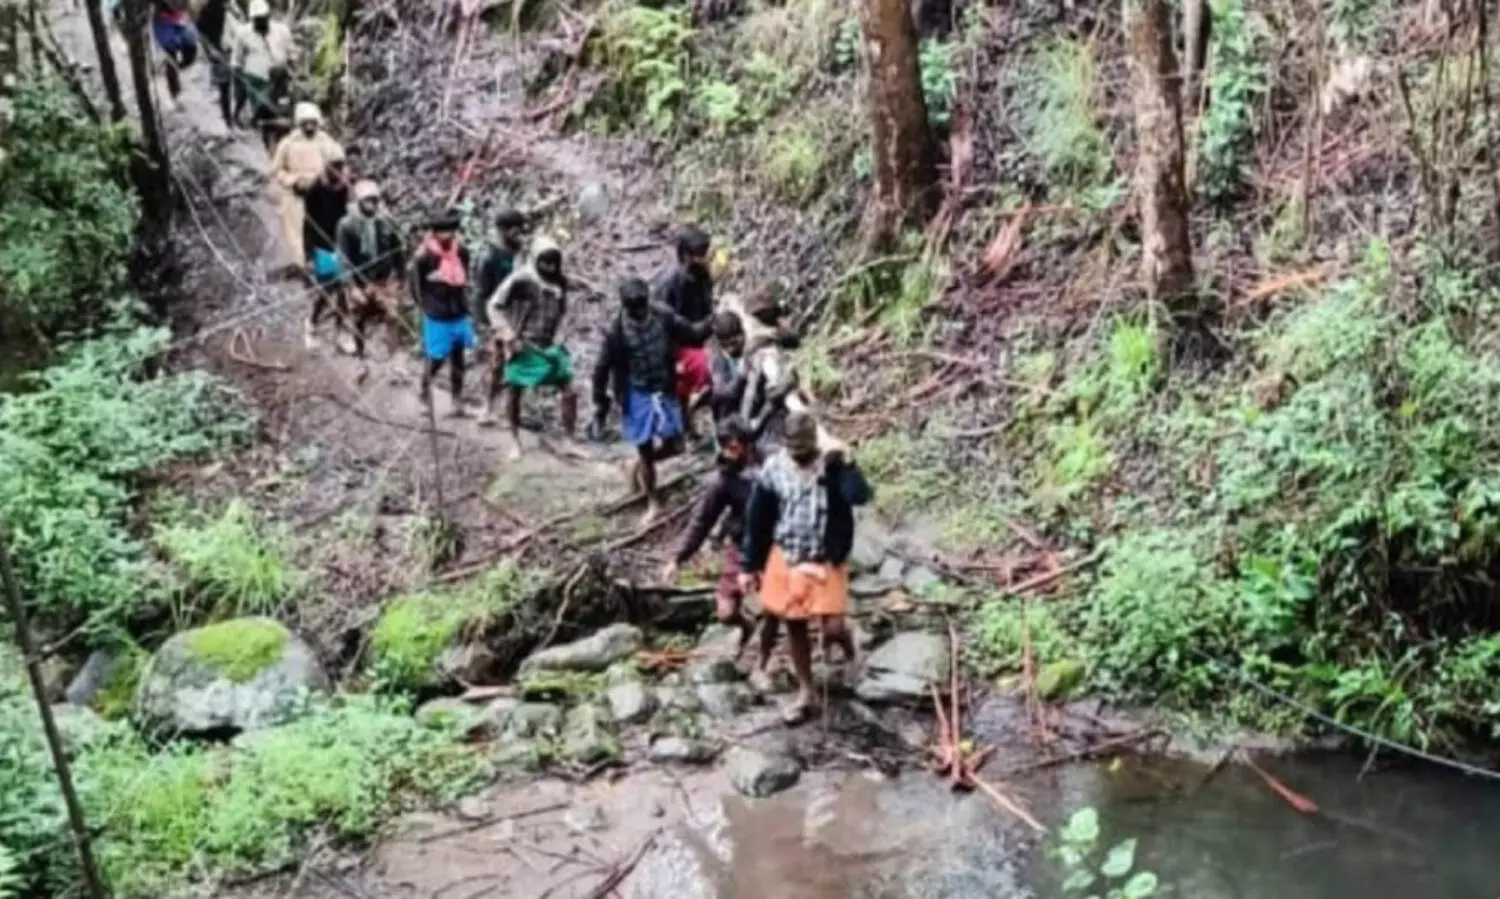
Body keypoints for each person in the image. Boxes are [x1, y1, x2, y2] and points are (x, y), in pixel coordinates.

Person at [740, 411, 873, 725]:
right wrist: (749, 564)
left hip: (825, 556)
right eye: (793, 450)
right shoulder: (774, 468)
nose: (799, 456)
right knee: (794, 622)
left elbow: (859, 496)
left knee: (833, 627)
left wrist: (848, 462)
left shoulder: (833, 465)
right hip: (787, 553)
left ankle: (849, 648)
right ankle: (806, 691)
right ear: (785, 445)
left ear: (815, 443)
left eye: (805, 450)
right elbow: (758, 519)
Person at [590, 278, 712, 525]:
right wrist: (601, 403)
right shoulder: (616, 333)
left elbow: (692, 332)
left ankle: (637, 466)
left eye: (642, 304)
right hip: (637, 393)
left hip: (664, 387)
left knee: (676, 445)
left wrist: (715, 319)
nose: (639, 311)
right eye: (633, 307)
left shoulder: (663, 316)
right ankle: (652, 501)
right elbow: (601, 369)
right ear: (625, 306)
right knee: (645, 448)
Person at [663, 416, 758, 654]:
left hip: (773, 544)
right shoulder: (722, 481)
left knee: (772, 605)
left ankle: (765, 655)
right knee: (725, 612)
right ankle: (748, 627)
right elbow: (702, 521)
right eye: (725, 447)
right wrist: (678, 558)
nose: (729, 453)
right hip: (742, 545)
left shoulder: (770, 465)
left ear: (746, 445)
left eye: (734, 447)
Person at [482, 237, 576, 456]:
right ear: (535, 259)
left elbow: (562, 311)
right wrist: (507, 333)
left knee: (569, 389)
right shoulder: (521, 279)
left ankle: (569, 442)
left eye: (553, 263)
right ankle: (515, 441)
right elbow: (494, 305)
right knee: (515, 392)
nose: (550, 267)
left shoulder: (559, 282)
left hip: (549, 345)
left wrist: (563, 335)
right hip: (523, 344)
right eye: (545, 262)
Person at [652, 226, 715, 442]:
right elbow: (661, 320)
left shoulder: (703, 277)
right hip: (672, 345)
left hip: (695, 341)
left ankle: (686, 424)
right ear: (686, 256)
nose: (704, 259)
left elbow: (707, 307)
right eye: (700, 255)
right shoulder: (669, 283)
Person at [410, 209, 475, 416]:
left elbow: (465, 278)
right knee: (437, 357)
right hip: (437, 313)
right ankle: (423, 392)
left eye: (451, 231)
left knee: (458, 358)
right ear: (435, 233)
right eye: (443, 231)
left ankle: (457, 400)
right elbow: (415, 287)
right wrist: (427, 307)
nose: (448, 235)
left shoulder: (461, 252)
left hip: (457, 310)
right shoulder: (423, 258)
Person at [269, 102, 343, 277]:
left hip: (321, 193)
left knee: (322, 231)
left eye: (313, 122)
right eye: (305, 123)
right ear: (299, 123)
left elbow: (338, 159)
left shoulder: (325, 141)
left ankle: (326, 268)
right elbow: (276, 170)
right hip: (296, 193)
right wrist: (292, 180)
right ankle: (302, 266)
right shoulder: (288, 143)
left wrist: (326, 176)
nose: (309, 127)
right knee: (296, 231)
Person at [336, 179, 407, 359]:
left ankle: (393, 354)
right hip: (359, 277)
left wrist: (401, 276)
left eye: (375, 200)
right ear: (359, 202)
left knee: (392, 312)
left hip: (383, 276)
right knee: (358, 314)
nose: (372, 204)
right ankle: (360, 352)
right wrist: (352, 286)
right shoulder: (347, 225)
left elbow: (397, 250)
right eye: (368, 200)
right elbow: (343, 259)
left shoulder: (386, 221)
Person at [301, 148, 350, 349]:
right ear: (326, 166)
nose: (338, 170)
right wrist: (308, 254)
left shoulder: (342, 188)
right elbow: (308, 223)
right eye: (334, 166)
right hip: (322, 246)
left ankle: (341, 331)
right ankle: (311, 322)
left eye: (340, 165)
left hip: (340, 243)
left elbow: (344, 214)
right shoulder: (315, 189)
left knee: (344, 288)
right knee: (327, 288)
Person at [231, 0, 295, 150]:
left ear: (268, 16)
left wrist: (290, 69)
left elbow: (291, 53)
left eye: (262, 19)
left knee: (281, 112)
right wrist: (239, 84)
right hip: (256, 79)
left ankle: (281, 145)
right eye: (256, 20)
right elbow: (237, 60)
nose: (259, 23)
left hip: (279, 79)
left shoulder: (282, 31)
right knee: (265, 115)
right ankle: (269, 146)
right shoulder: (243, 33)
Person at [474, 208, 528, 332]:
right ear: (502, 231)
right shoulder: (490, 257)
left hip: (519, 313)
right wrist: (483, 324)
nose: (519, 236)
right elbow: (481, 295)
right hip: (499, 314)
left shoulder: (523, 251)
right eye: (515, 233)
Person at [194, 0, 237, 129]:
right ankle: (228, 119)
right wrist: (211, 51)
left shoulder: (219, 11)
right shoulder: (213, 12)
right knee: (226, 87)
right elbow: (201, 35)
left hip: (224, 52)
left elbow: (200, 34)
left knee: (226, 88)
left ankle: (230, 118)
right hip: (221, 53)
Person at [151, 0, 199, 103]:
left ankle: (181, 70)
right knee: (170, 57)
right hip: (164, 22)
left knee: (191, 47)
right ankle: (175, 92)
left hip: (181, 19)